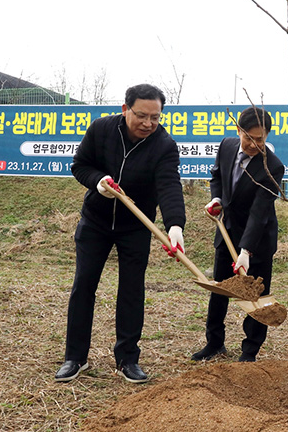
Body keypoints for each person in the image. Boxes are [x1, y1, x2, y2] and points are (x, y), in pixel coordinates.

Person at [55, 84, 186, 384]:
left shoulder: (164, 145)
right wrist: (98, 181)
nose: (148, 123)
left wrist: (175, 225)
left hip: (135, 228)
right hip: (95, 222)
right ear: (126, 109)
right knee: (83, 286)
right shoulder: (101, 129)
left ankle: (127, 359)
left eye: (155, 117)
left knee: (131, 290)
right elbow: (80, 166)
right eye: (141, 115)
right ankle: (75, 357)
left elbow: (169, 185)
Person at [192, 106, 284, 363]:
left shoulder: (272, 167)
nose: (254, 144)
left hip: (258, 239)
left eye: (260, 139)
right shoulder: (226, 146)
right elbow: (216, 177)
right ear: (238, 131)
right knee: (219, 289)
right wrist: (217, 199)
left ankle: (249, 351)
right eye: (249, 137)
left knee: (258, 295)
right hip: (226, 229)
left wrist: (246, 251)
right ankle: (214, 343)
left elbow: (259, 212)